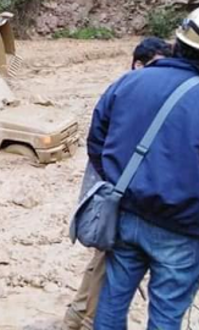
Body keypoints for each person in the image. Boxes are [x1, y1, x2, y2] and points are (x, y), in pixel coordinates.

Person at [88, 4, 199, 330]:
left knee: (111, 302)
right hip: (184, 230)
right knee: (166, 318)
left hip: (125, 215)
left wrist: (119, 187)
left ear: (176, 43)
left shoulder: (128, 82)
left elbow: (97, 142)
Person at [63, 37, 172, 330]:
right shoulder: (125, 94)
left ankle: (77, 315)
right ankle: (86, 320)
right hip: (117, 194)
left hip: (117, 192)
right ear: (138, 64)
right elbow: (97, 143)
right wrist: (116, 183)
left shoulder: (127, 93)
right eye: (157, 66)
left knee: (103, 256)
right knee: (107, 258)